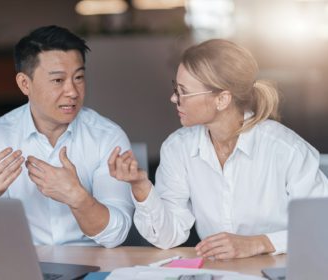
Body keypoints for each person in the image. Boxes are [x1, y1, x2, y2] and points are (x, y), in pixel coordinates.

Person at [108, 39, 328, 259]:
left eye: (184, 91)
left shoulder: (287, 150)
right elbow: (169, 237)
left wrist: (260, 243)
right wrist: (141, 187)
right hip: (218, 272)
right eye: (176, 88)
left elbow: (322, 226)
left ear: (222, 99)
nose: (174, 98)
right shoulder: (178, 148)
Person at [0, 25, 134, 248]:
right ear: (25, 84)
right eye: (58, 80)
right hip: (23, 264)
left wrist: (78, 198)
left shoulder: (108, 137)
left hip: (94, 265)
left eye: (79, 77)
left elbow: (116, 236)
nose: (73, 91)